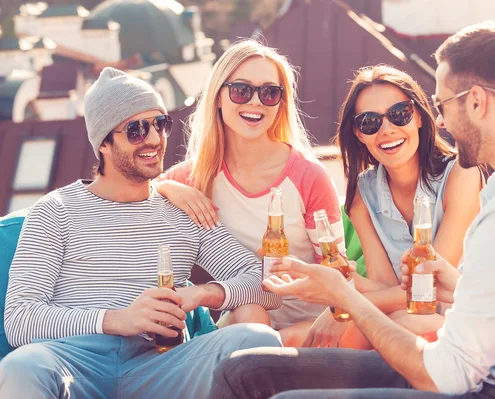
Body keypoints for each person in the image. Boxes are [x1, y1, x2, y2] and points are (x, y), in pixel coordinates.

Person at [208, 21, 495, 399]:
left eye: (442, 104)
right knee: (247, 369)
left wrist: (346, 298)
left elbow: (451, 373)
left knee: (274, 389)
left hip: (493, 385)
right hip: (487, 362)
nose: (441, 119)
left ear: (476, 101)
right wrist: (451, 281)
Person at [0, 67, 283, 398]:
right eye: (135, 129)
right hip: (73, 364)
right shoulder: (56, 211)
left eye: (160, 124)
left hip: (162, 365)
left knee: (257, 342)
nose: (153, 139)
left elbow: (268, 289)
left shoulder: (185, 210)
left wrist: (203, 294)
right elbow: (20, 319)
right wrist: (118, 319)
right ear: (104, 142)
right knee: (21, 367)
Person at [283, 65, 482, 348]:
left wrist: (344, 301)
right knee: (291, 339)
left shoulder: (463, 173)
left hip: (465, 318)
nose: (387, 130)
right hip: (401, 316)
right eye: (369, 122)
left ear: (419, 118)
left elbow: (430, 287)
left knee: (393, 328)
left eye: (400, 114)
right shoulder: (362, 193)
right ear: (358, 133)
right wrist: (349, 286)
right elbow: (386, 287)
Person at [154, 39, 344, 334]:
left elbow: (336, 274)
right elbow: (137, 197)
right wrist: (168, 189)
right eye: (241, 90)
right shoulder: (196, 176)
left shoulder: (310, 177)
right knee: (251, 314)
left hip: (313, 327)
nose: (255, 102)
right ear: (218, 97)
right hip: (246, 322)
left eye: (269, 93)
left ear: (280, 103)